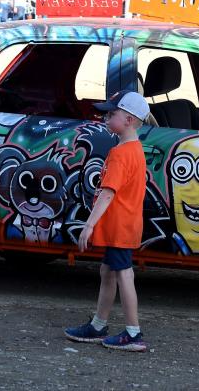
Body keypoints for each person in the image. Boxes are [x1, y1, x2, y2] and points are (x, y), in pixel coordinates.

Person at [64, 90, 150, 353]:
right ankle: (98, 325)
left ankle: (133, 333)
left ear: (130, 120)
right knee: (108, 271)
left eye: (112, 114)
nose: (106, 117)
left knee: (124, 274)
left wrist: (89, 224)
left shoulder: (120, 154)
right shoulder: (135, 150)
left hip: (119, 227)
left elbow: (108, 192)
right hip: (124, 225)